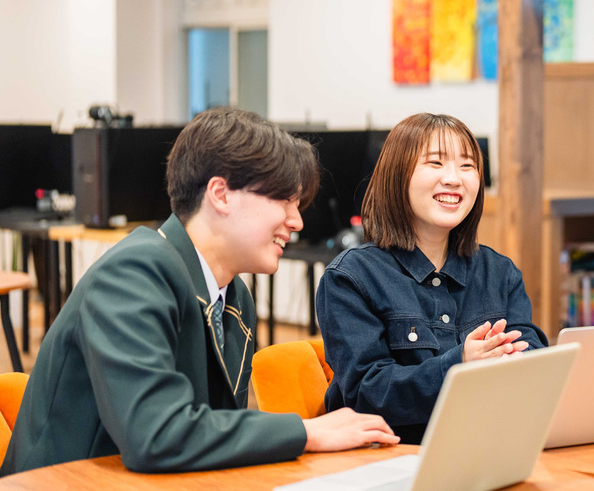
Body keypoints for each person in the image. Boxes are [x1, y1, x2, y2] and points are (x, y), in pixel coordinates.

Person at [1, 108, 399, 476]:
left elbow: (215, 436)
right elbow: (155, 435)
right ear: (221, 194)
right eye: (284, 199)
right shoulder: (135, 272)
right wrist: (308, 433)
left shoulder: (234, 294)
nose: (295, 220)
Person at [318, 113, 547, 443]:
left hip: (490, 446)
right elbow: (365, 394)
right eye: (436, 163)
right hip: (391, 457)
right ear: (397, 175)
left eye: (467, 166)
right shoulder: (351, 277)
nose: (454, 179)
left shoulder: (500, 273)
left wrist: (520, 361)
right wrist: (461, 365)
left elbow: (532, 361)